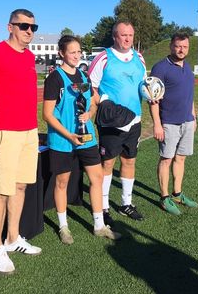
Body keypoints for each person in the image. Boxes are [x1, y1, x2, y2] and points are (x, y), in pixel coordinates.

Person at [0, 9, 42, 275]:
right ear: (10, 27)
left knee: (20, 186)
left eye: (33, 27)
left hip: (29, 132)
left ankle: (13, 237)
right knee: (1, 191)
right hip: (4, 131)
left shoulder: (29, 56)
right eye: (23, 26)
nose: (29, 31)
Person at [43, 35, 121, 244]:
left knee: (97, 178)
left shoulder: (84, 76)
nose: (77, 56)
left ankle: (99, 225)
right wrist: (69, 135)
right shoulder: (54, 78)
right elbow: (47, 115)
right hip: (63, 140)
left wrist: (89, 113)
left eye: (79, 52)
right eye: (72, 52)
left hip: (87, 138)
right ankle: (63, 227)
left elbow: (93, 102)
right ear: (61, 53)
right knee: (62, 182)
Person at [89, 21, 146, 224]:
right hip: (112, 122)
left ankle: (126, 204)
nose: (128, 39)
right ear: (115, 36)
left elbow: (144, 85)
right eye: (123, 35)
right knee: (108, 163)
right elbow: (91, 86)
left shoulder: (139, 57)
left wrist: (152, 93)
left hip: (135, 119)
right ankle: (103, 207)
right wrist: (103, 102)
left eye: (130, 35)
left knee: (129, 161)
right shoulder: (103, 58)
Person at [150, 32, 198, 215]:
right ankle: (164, 198)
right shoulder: (160, 68)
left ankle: (177, 194)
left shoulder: (188, 67)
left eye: (185, 47)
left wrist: (193, 117)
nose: (181, 50)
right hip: (168, 123)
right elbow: (153, 99)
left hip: (187, 121)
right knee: (166, 159)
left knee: (181, 158)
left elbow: (190, 95)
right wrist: (157, 124)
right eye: (178, 46)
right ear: (171, 46)